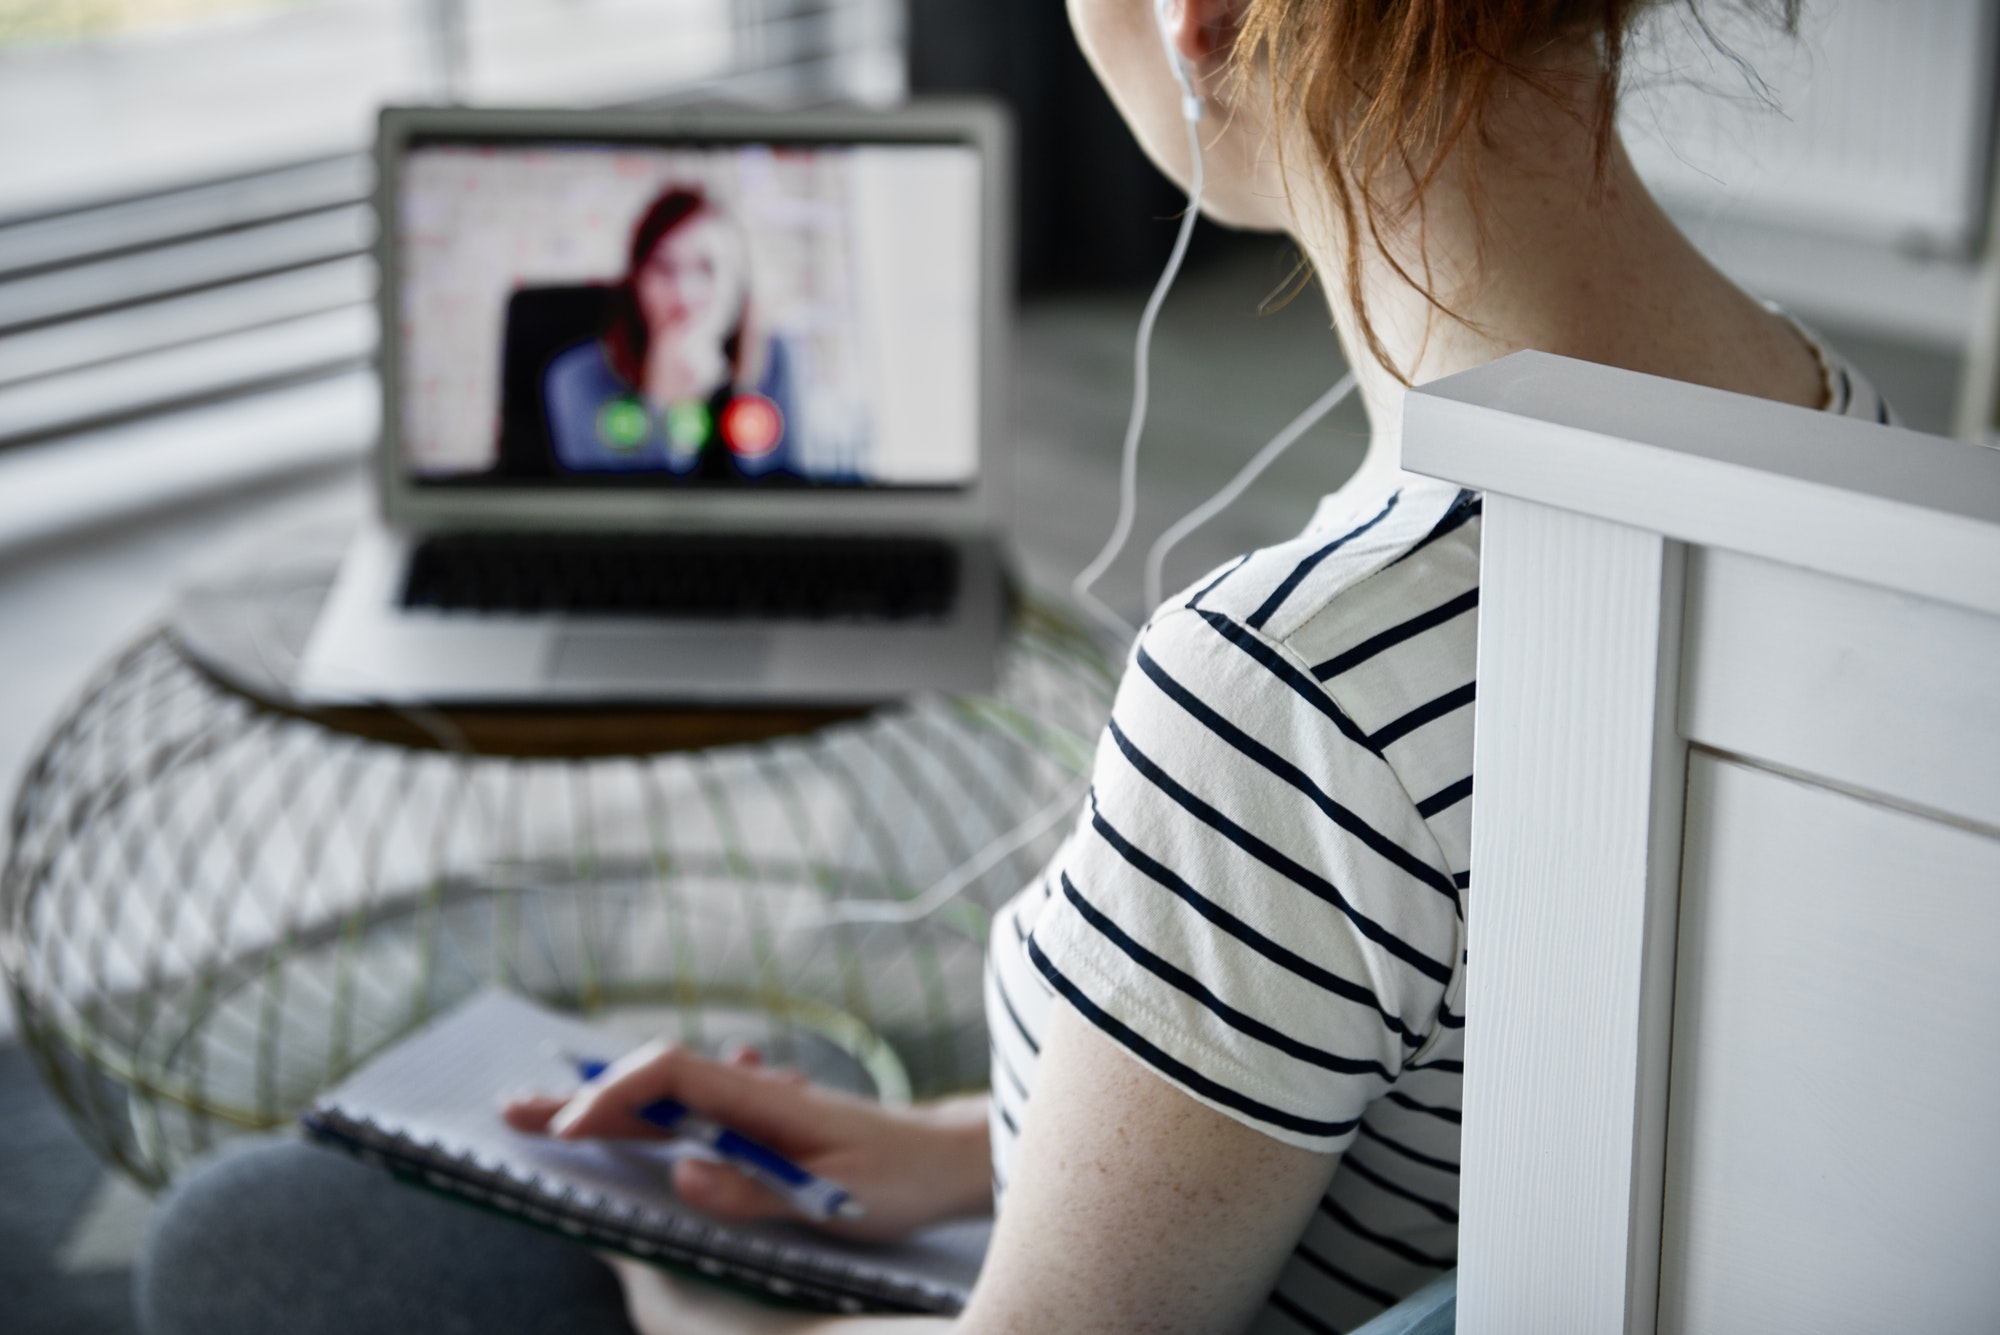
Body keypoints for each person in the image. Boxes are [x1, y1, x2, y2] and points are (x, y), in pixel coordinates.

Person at [139, 1, 1892, 1332]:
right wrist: (955, 1145)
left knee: (248, 1233)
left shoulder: (1289, 693)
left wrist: (695, 1304)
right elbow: (1481, 1081)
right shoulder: (1857, 448)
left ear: (1202, 17)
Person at [542, 185, 799, 479]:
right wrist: (661, 407)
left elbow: (785, 492)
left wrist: (741, 395)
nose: (683, 293)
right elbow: (610, 505)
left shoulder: (778, 359)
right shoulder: (576, 378)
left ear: (738, 284)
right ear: (636, 280)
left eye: (707, 269)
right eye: (663, 267)